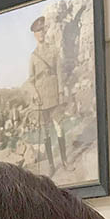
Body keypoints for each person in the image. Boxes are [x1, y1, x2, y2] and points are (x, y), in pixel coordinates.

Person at [27, 14, 67, 174]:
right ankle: (51, 166)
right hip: (42, 99)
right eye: (38, 32)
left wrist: (61, 91)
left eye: (42, 30)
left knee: (60, 128)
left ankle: (64, 161)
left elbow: (59, 72)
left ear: (45, 31)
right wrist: (35, 93)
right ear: (34, 35)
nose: (41, 34)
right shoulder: (33, 56)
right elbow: (30, 80)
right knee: (46, 132)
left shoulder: (53, 50)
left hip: (54, 96)